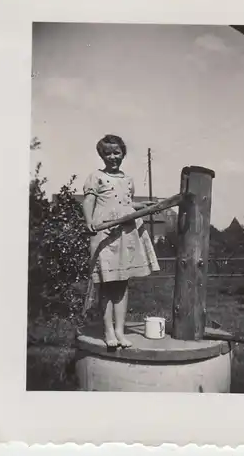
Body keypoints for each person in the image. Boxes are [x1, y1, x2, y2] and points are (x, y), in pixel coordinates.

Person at [83, 134, 160, 348]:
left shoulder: (128, 180)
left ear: (123, 153)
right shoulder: (96, 177)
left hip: (125, 235)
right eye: (107, 153)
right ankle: (108, 331)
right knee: (107, 285)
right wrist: (89, 221)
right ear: (101, 155)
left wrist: (143, 206)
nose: (112, 157)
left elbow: (126, 205)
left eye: (116, 152)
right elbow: (89, 201)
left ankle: (120, 331)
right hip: (105, 235)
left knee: (122, 284)